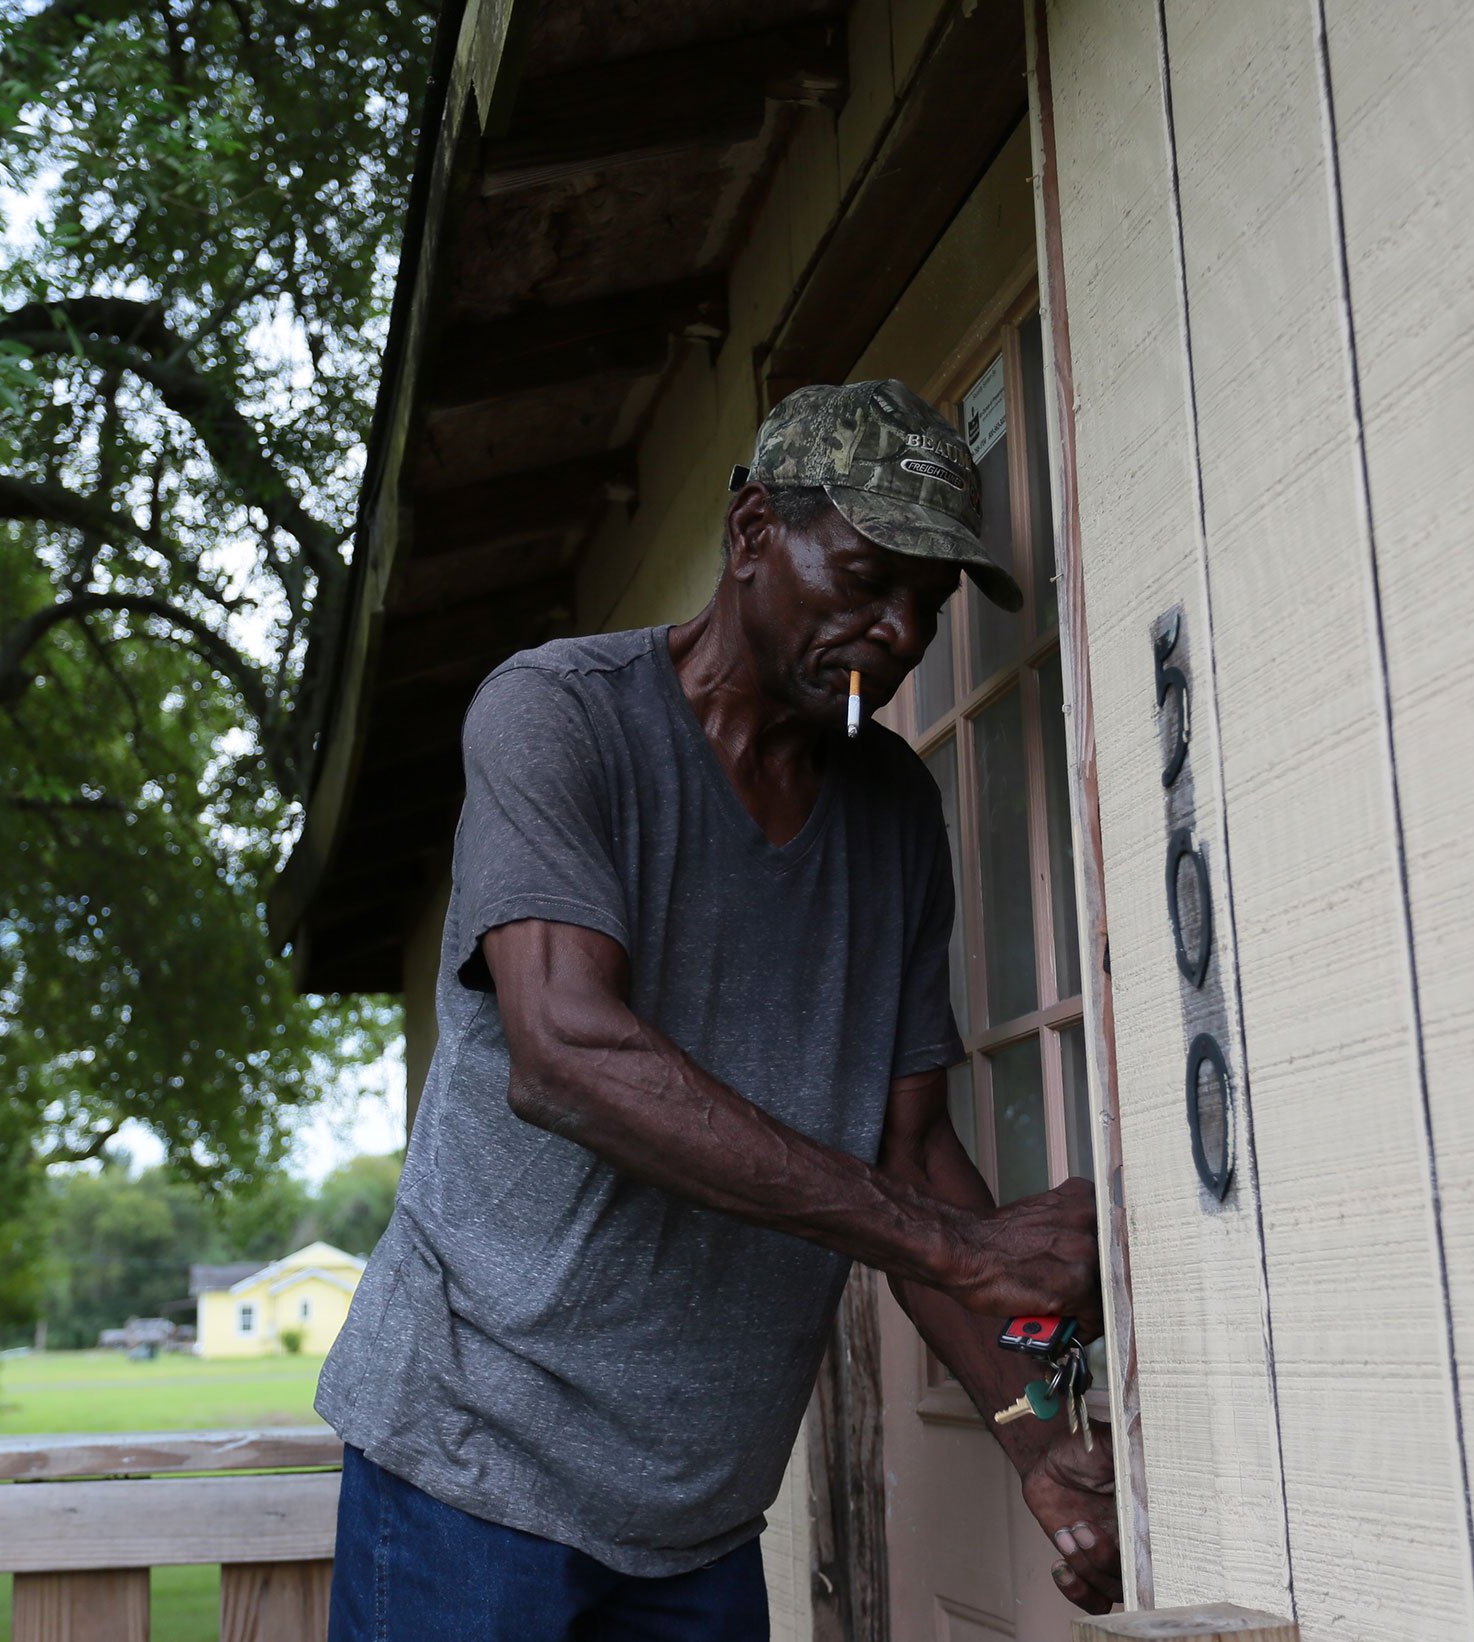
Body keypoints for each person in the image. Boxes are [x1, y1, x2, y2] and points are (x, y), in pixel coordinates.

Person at [317, 379, 1120, 1641]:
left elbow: (910, 1151)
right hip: (469, 1475)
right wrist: (957, 1247)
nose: (898, 632)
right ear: (752, 532)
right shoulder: (558, 715)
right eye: (867, 577)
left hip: (698, 1519)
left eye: (928, 603)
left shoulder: (893, 817)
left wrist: (1033, 1443)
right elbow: (567, 1055)